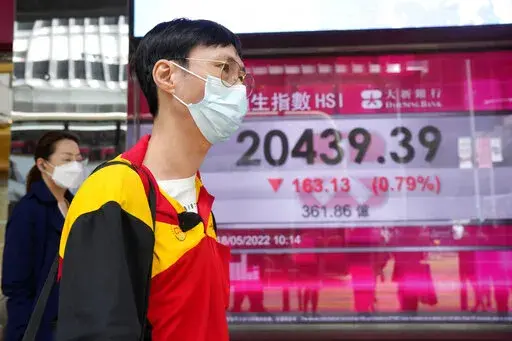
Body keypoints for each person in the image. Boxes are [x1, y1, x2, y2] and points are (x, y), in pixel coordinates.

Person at [56, 18, 252, 341]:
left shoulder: (200, 201)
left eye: (241, 76)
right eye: (224, 69)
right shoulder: (114, 192)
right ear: (166, 76)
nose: (238, 88)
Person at [2, 131, 83, 341]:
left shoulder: (76, 208)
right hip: (41, 328)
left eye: (78, 159)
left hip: (73, 323)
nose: (75, 165)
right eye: (66, 159)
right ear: (42, 164)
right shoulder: (27, 212)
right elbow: (16, 284)